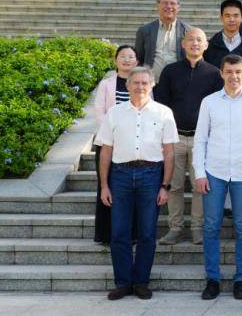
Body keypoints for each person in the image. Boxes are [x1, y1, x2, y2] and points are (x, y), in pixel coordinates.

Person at [97, 66, 176, 301]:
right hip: (120, 175)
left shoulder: (164, 113)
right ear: (128, 85)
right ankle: (123, 283)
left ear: (152, 85)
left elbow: (169, 152)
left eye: (145, 83)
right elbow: (105, 151)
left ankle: (141, 282)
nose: (140, 87)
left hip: (151, 175)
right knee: (119, 232)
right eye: (136, 83)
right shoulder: (114, 113)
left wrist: (165, 186)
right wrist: (104, 185)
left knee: (147, 232)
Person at [194, 54, 242, 301]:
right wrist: (199, 172)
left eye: (238, 72)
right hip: (213, 172)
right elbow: (200, 140)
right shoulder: (209, 102)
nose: (234, 76)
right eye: (229, 71)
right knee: (211, 226)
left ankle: (241, 279)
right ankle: (212, 279)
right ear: (221, 73)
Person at [154, 28, 223, 246]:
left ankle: (196, 228)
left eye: (199, 40)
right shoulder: (170, 71)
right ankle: (175, 228)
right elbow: (161, 104)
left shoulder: (214, 73)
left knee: (199, 186)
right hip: (174, 139)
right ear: (183, 44)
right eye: (190, 39)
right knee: (174, 186)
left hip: (201, 140)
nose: (195, 43)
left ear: (206, 45)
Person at [93, 45, 139, 245]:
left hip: (134, 143)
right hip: (108, 142)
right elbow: (99, 111)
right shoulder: (106, 84)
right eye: (123, 56)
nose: (127, 60)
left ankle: (132, 233)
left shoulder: (141, 82)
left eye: (131, 56)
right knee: (106, 186)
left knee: (131, 188)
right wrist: (115, 133)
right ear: (115, 60)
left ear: (137, 61)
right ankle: (105, 234)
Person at [135, 0, 190, 81]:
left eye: (172, 3)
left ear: (178, 7)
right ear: (158, 6)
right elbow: (138, 59)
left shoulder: (188, 31)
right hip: (151, 83)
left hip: (178, 83)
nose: (169, 6)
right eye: (165, 3)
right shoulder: (144, 31)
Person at [204, 0, 242, 68]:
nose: (231, 20)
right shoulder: (209, 47)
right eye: (227, 16)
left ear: (241, 18)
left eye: (236, 16)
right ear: (221, 18)